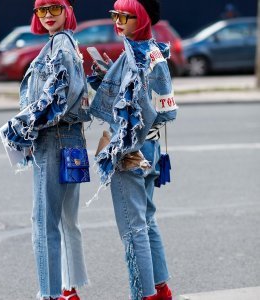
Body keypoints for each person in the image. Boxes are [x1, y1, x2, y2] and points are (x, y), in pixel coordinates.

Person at [88, 0, 177, 299]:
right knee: (147, 220)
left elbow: (137, 108)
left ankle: (144, 295)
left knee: (133, 228)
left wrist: (124, 139)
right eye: (115, 15)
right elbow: (165, 109)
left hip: (130, 150)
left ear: (139, 18)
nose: (117, 21)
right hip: (152, 146)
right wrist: (106, 79)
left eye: (124, 16)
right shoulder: (154, 51)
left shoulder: (135, 55)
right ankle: (161, 288)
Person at [1, 1, 90, 299]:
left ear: (67, 9)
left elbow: (55, 99)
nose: (48, 15)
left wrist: (21, 127)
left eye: (54, 8)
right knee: (66, 220)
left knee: (43, 224)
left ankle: (49, 294)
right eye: (42, 10)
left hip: (53, 140)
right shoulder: (68, 44)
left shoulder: (60, 47)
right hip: (72, 141)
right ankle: (69, 289)